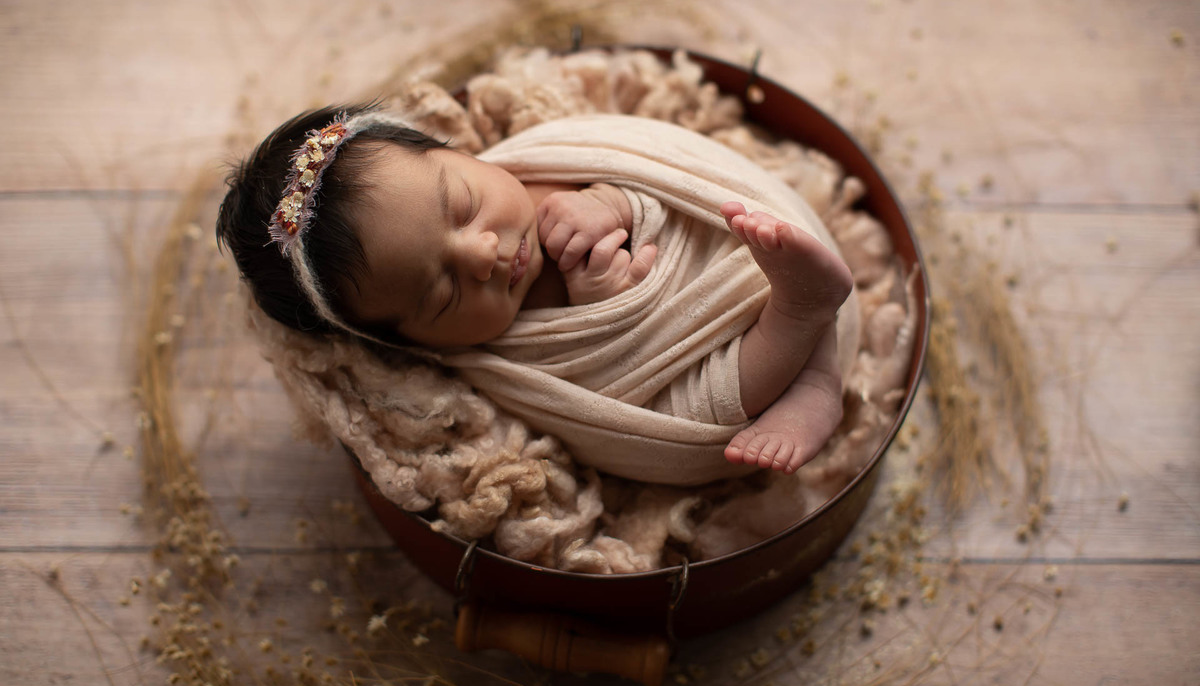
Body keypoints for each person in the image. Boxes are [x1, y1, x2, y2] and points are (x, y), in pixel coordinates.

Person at [218, 105, 855, 478]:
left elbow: (656, 169)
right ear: (409, 345)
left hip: (740, 255)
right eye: (441, 294)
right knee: (700, 406)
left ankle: (811, 333)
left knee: (743, 224)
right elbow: (608, 396)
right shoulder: (497, 361)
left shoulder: (550, 166)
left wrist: (611, 202)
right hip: (731, 356)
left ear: (457, 149)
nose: (483, 254)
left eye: (462, 203)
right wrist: (608, 309)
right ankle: (805, 338)